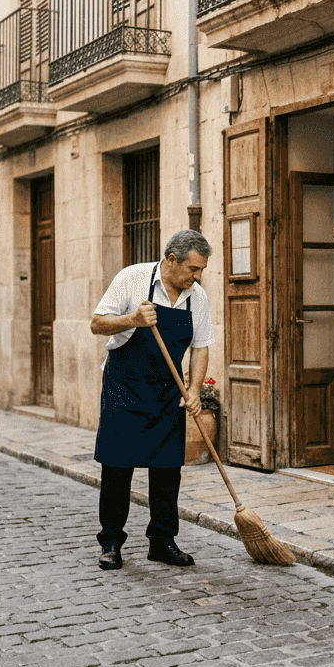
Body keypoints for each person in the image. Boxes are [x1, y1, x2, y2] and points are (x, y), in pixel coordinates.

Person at [89, 230, 215, 570]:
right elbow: (97, 324)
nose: (197, 276)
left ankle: (162, 540)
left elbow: (201, 346)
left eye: (201, 270)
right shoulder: (132, 278)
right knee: (117, 467)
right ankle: (111, 542)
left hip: (166, 392)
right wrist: (133, 319)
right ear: (171, 261)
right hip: (124, 387)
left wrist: (196, 391)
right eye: (193, 269)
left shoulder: (196, 297)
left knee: (167, 469)